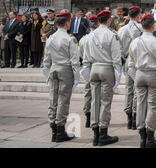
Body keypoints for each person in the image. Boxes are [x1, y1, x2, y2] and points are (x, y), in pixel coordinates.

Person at [128, 13, 156, 148]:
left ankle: (142, 136)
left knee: (140, 104)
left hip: (139, 74)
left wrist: (135, 76)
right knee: (152, 106)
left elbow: (130, 64)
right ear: (153, 26)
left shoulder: (134, 42)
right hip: (153, 75)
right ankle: (150, 137)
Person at [82, 10, 121, 146]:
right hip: (106, 68)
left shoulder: (90, 36)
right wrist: (117, 77)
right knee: (105, 102)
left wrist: (87, 74)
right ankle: (103, 133)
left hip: (94, 68)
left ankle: (95, 134)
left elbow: (86, 58)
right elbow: (117, 59)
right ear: (109, 20)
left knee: (94, 101)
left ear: (98, 21)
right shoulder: (112, 35)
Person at [42, 11, 80, 143]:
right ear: (67, 23)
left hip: (54, 68)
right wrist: (76, 77)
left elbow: (46, 59)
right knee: (63, 100)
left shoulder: (50, 38)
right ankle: (60, 130)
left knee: (53, 98)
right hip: (65, 69)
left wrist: (47, 74)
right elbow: (75, 60)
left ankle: (53, 127)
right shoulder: (70, 39)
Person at [118, 6, 143, 130]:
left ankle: (129, 117)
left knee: (129, 88)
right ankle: (135, 116)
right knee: (137, 89)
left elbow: (119, 48)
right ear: (138, 15)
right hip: (139, 60)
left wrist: (123, 60)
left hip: (127, 59)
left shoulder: (122, 29)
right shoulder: (141, 28)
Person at [78, 15, 99, 128]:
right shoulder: (101, 37)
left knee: (88, 92)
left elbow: (80, 54)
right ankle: (96, 117)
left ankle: (88, 116)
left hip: (87, 67)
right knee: (97, 94)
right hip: (97, 66)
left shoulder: (83, 39)